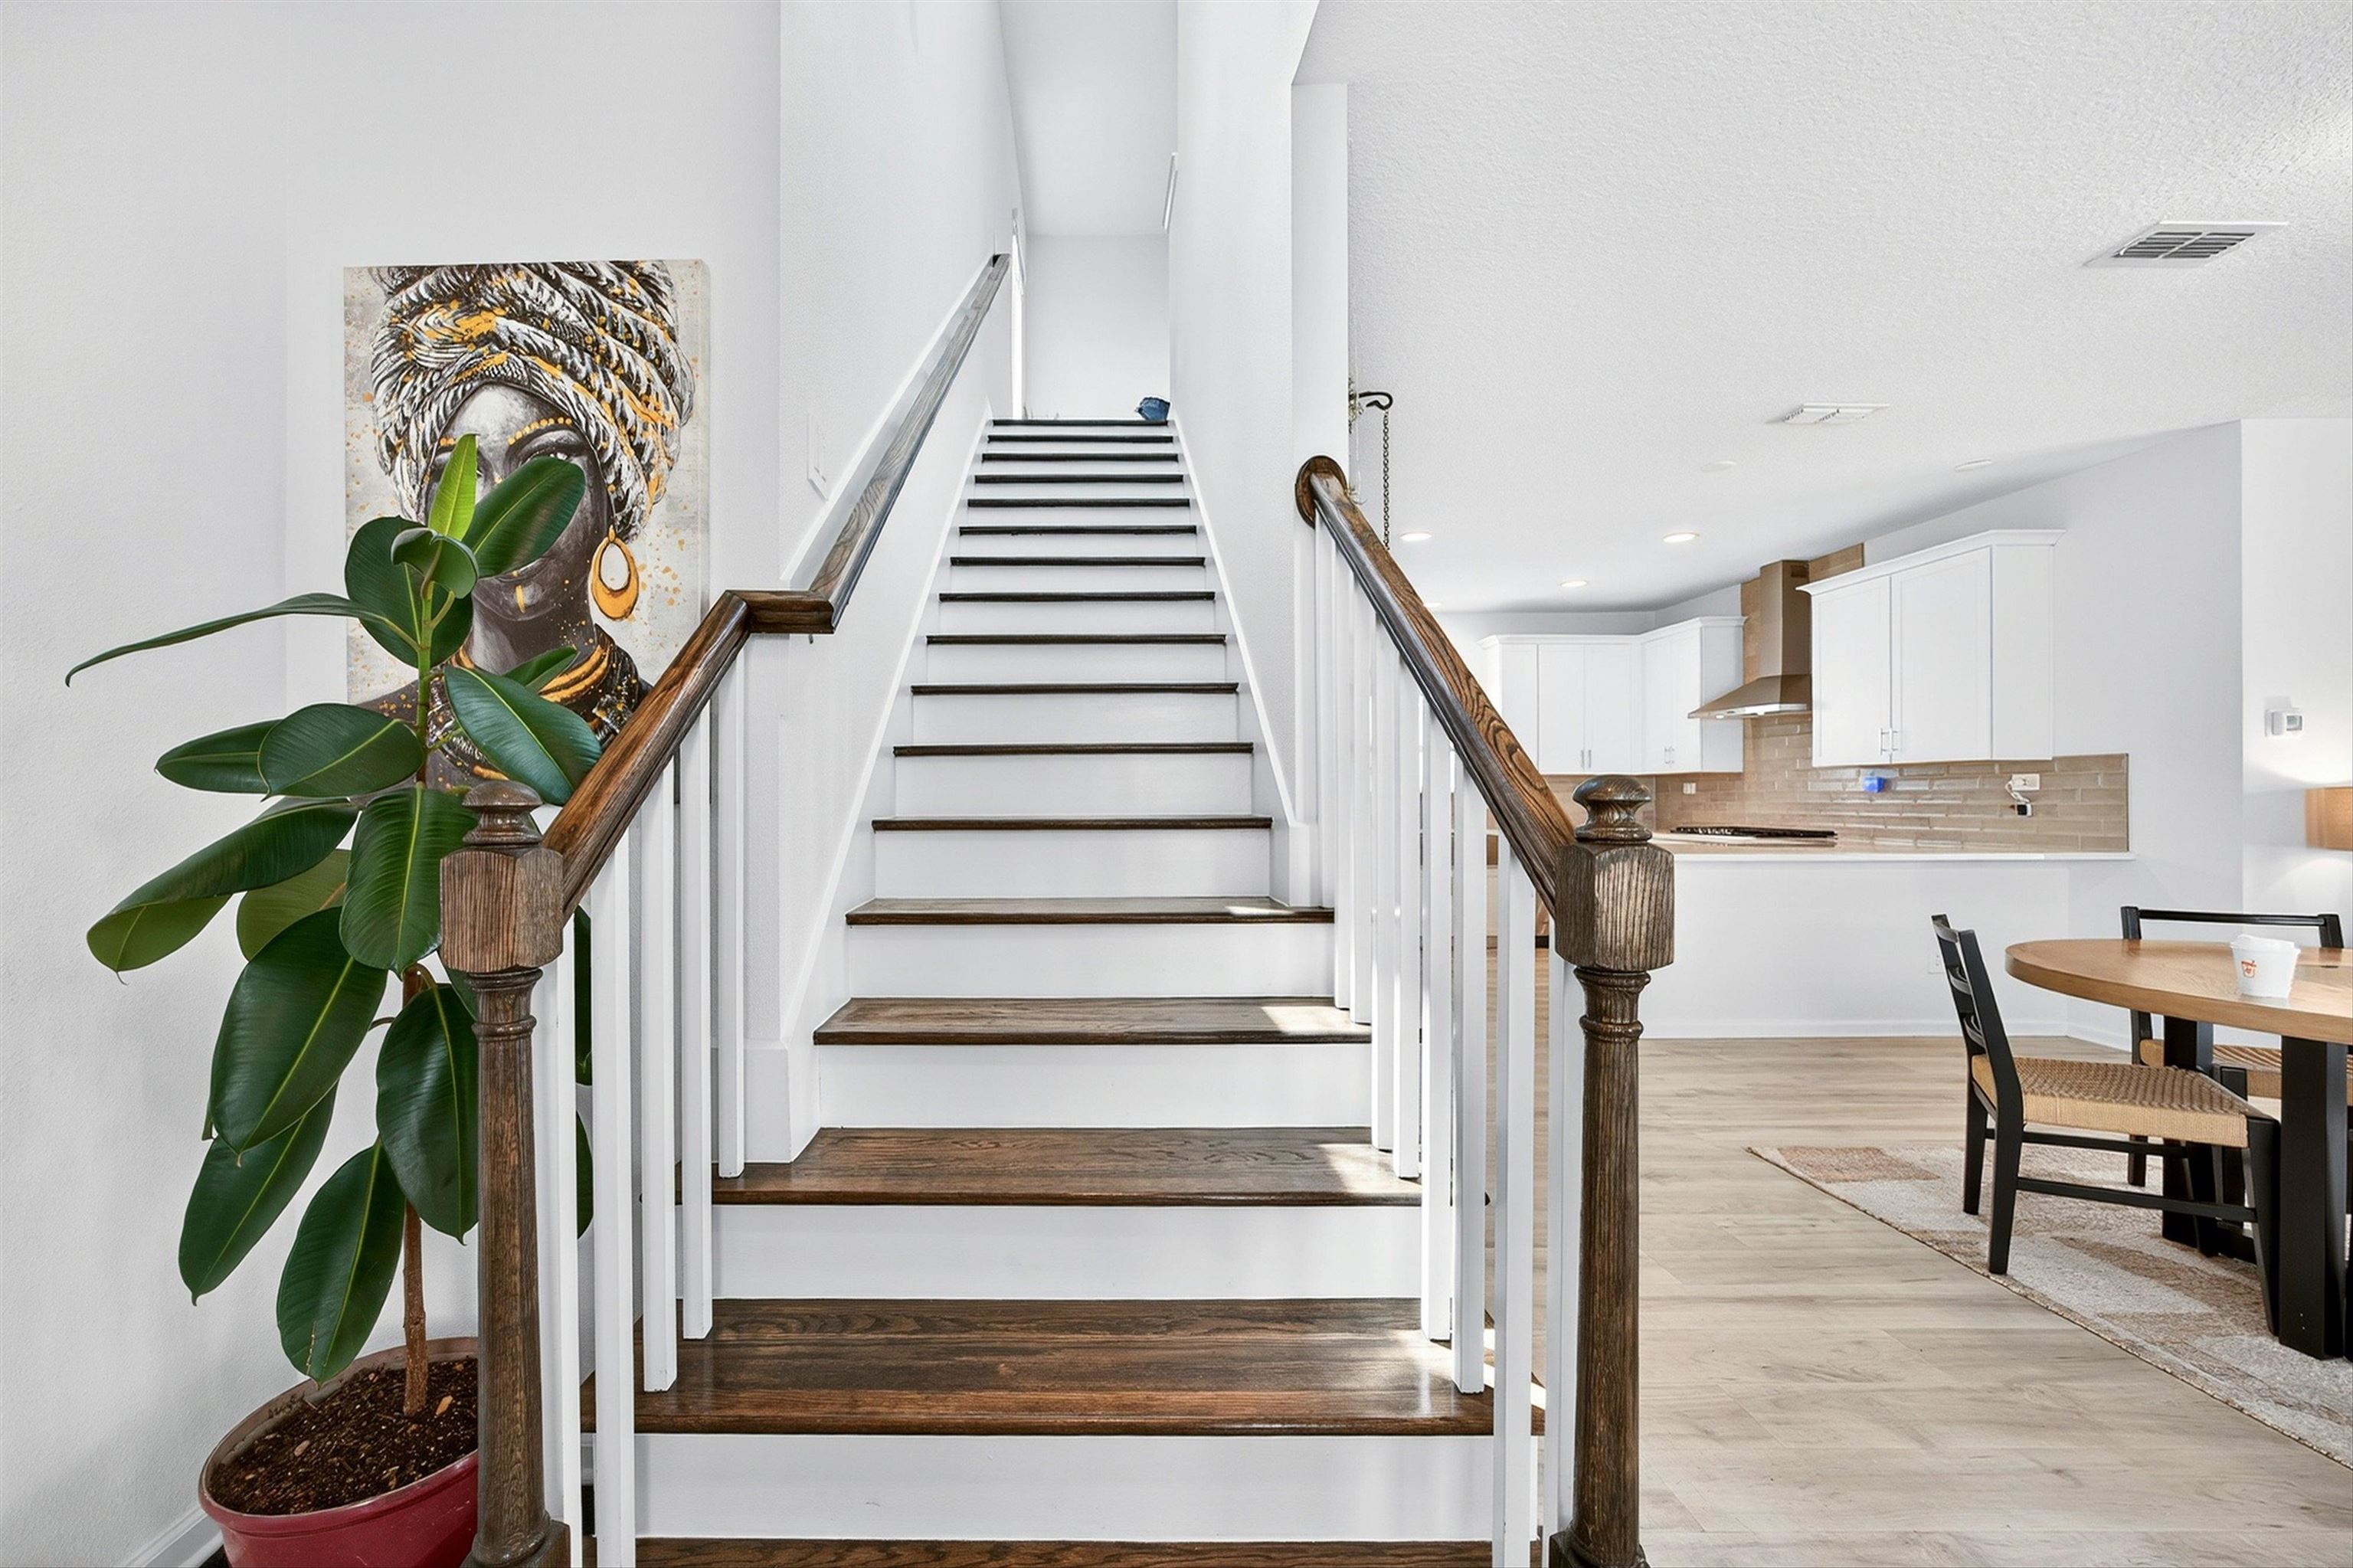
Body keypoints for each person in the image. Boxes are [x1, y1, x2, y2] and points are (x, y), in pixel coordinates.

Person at [360, 260, 695, 788]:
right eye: (462, 477)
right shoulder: (370, 754)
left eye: (546, 462)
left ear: (613, 486)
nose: (507, 513)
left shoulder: (677, 746)